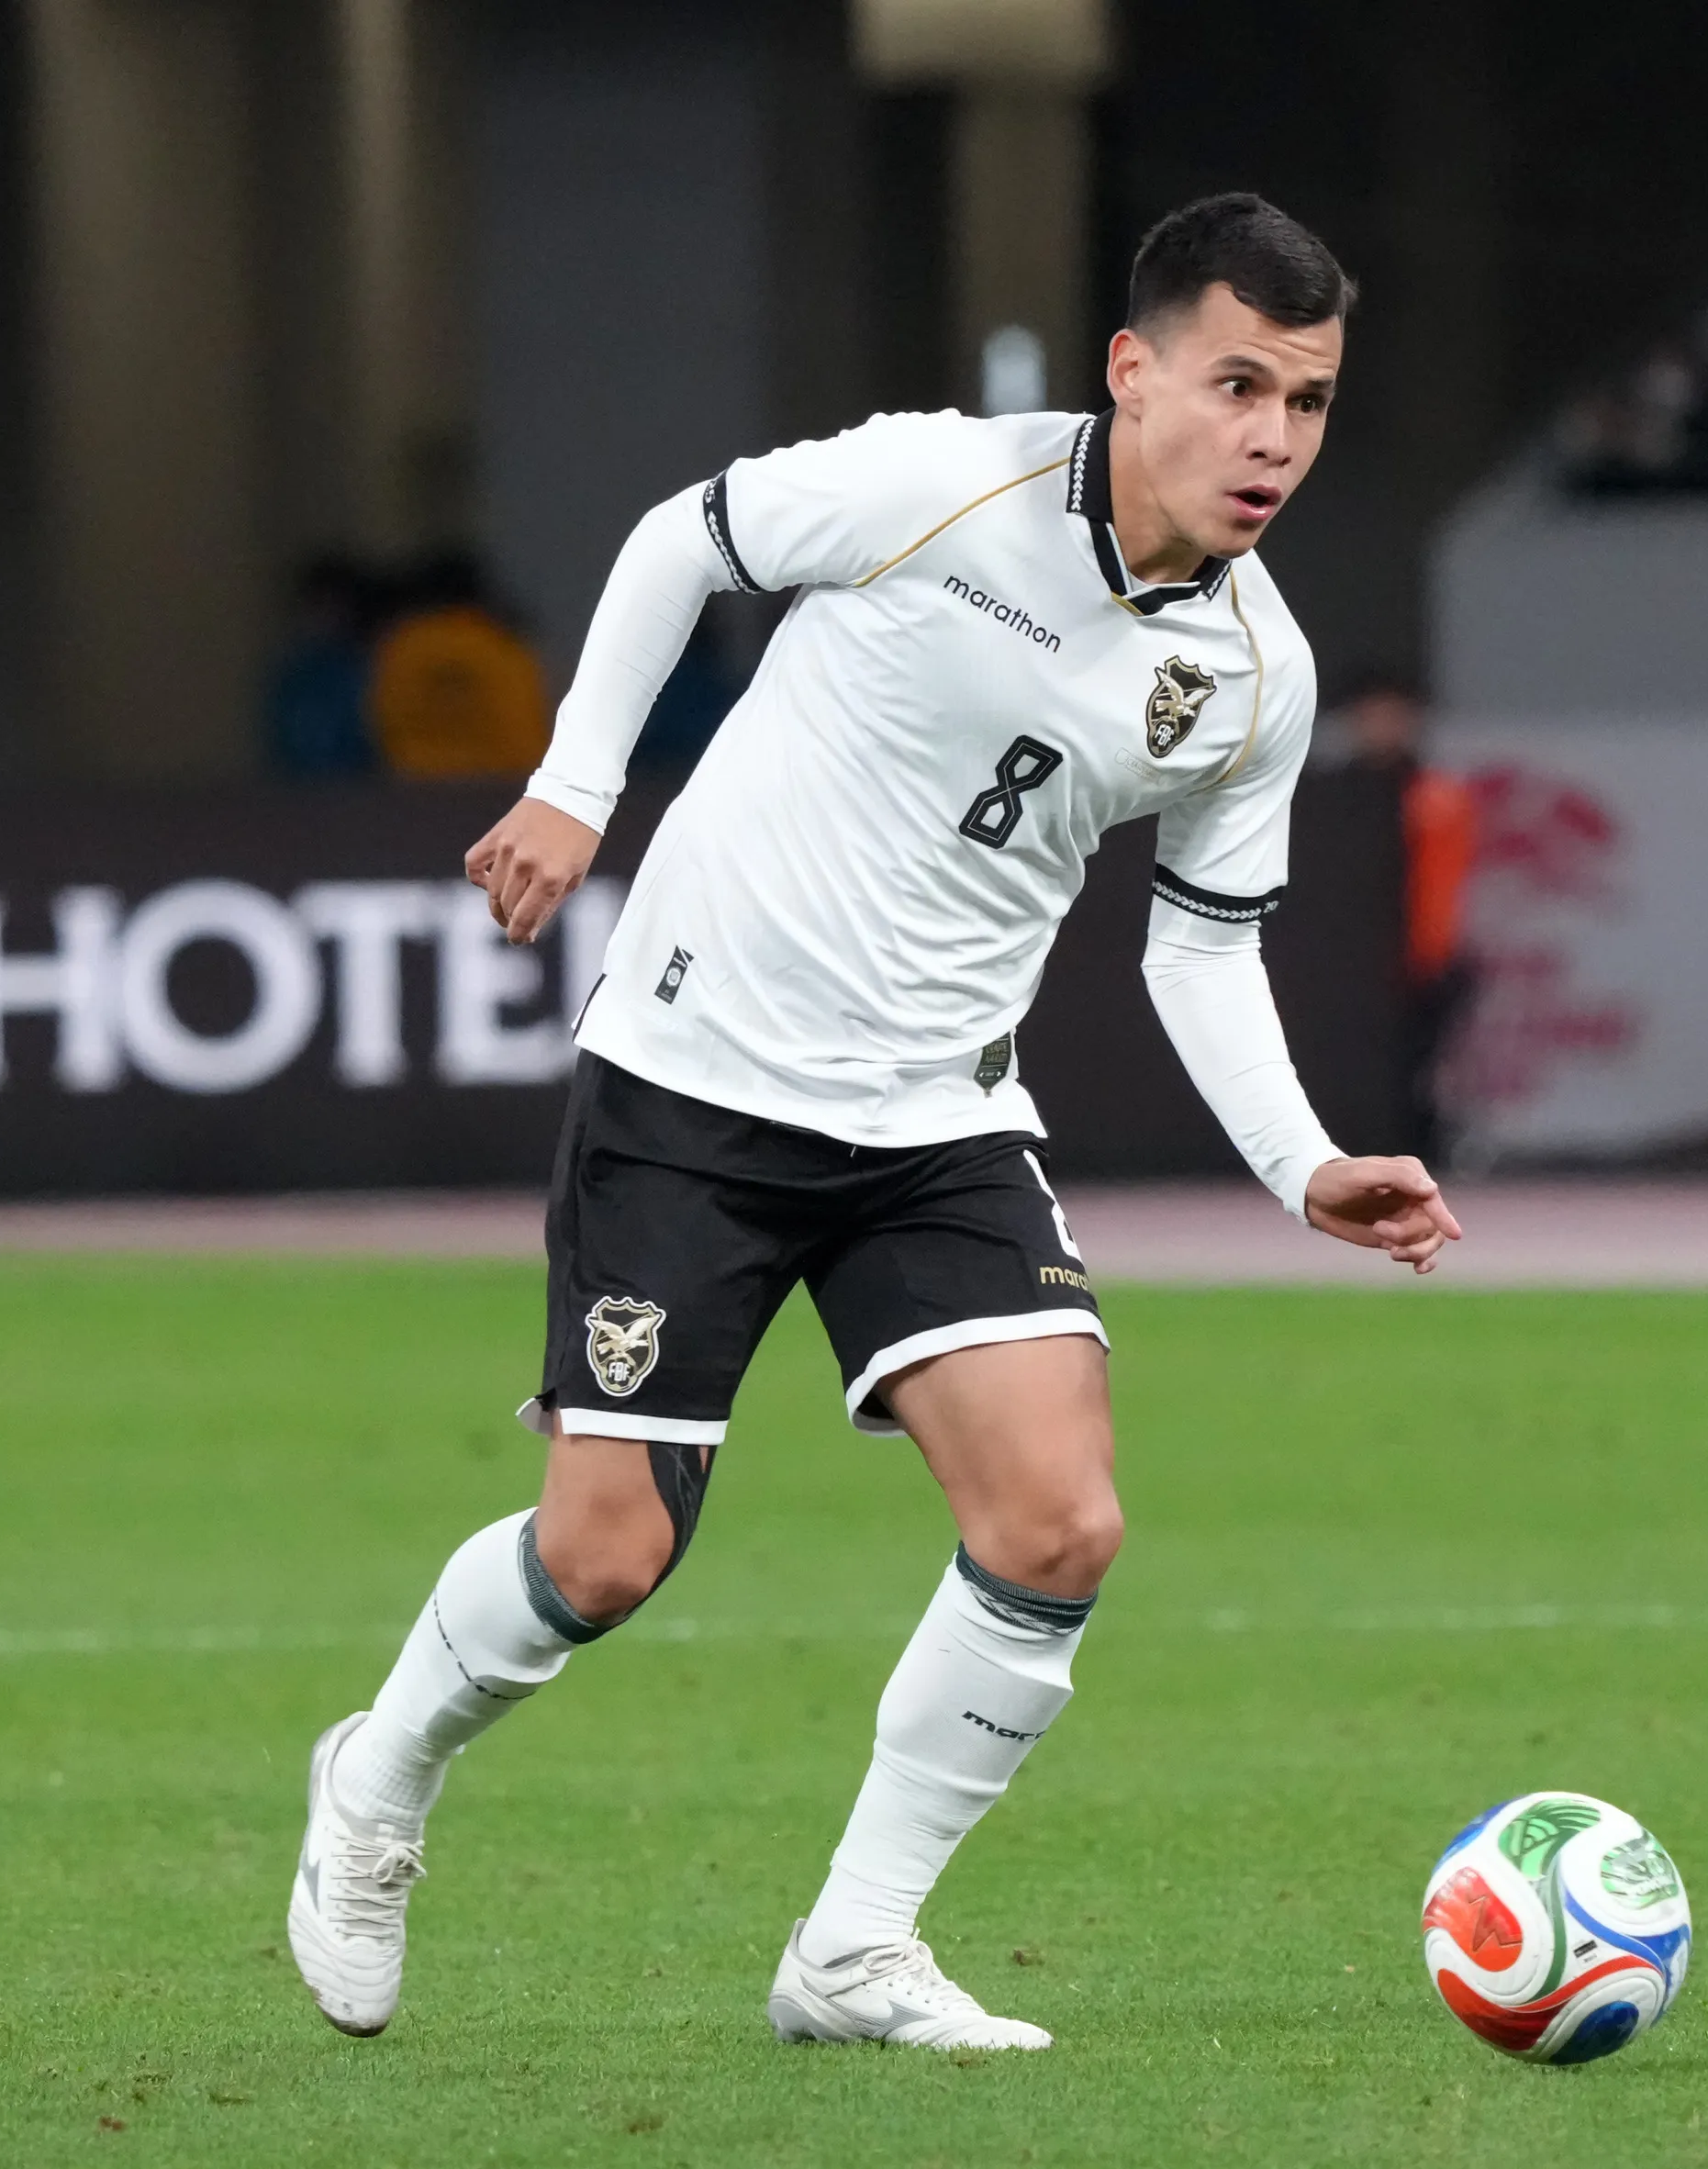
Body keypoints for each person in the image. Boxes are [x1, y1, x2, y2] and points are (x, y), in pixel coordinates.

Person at [286, 194, 1460, 2053]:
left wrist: (1301, 1161)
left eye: (1306, 403)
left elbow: (1205, 948)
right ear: (1131, 369)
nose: (1270, 439)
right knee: (601, 1557)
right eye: (1236, 385)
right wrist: (576, 785)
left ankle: (851, 1946)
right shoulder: (941, 483)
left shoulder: (1256, 675)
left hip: (937, 1114)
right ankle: (378, 1773)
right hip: (698, 1073)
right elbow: (689, 539)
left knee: (1059, 1516)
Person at [1337, 673, 1476, 1162]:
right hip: (1339, 964)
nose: (1381, 726)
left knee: (1413, 1071)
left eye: (1392, 715)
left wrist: (1430, 957)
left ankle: (1422, 1153)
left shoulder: (1434, 795)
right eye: (1370, 715)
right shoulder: (1327, 799)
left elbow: (1441, 887)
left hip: (1419, 962)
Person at [366, 551, 554, 777]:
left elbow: (383, 723)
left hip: (419, 787)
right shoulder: (502, 643)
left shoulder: (404, 646)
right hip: (502, 786)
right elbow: (530, 724)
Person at [260, 556, 380, 780]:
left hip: (360, 792)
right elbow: (281, 739)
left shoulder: (365, 669)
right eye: (316, 606)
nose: (325, 616)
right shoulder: (291, 673)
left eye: (333, 606)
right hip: (298, 795)